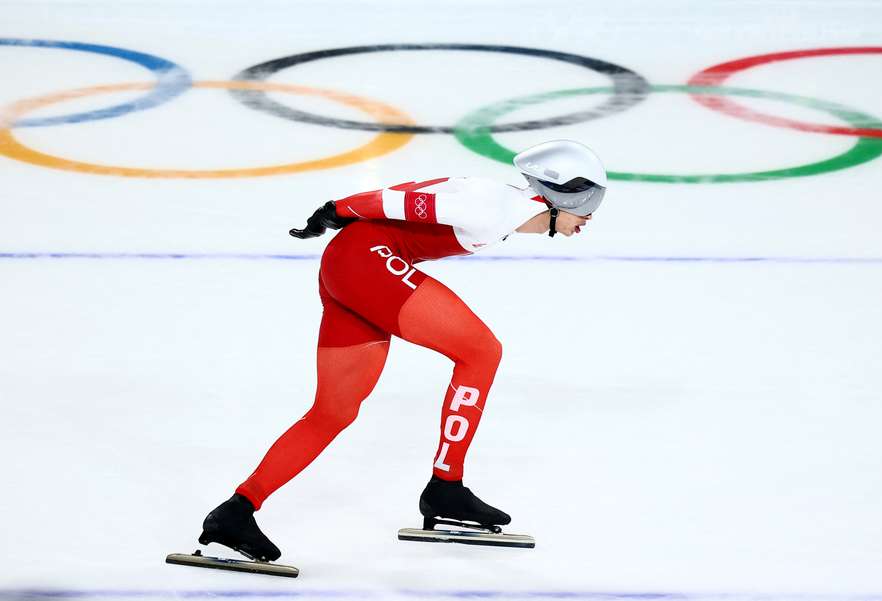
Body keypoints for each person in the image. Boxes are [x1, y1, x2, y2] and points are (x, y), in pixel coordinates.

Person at [198, 140, 608, 561]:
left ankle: (235, 512)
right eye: (588, 210)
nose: (589, 221)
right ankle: (446, 487)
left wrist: (340, 213)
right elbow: (401, 200)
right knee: (481, 352)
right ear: (561, 197)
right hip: (366, 262)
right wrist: (336, 209)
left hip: (352, 268)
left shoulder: (505, 206)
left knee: (333, 412)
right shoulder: (493, 207)